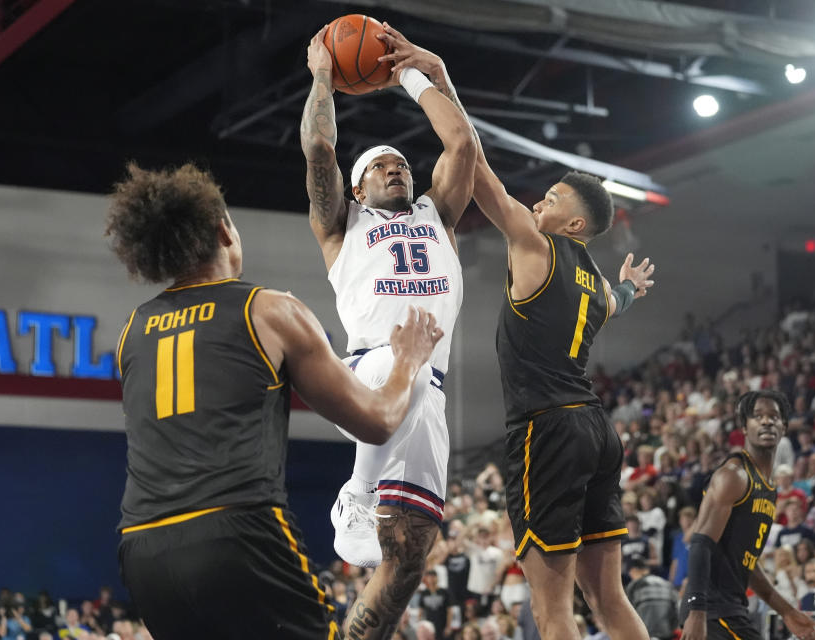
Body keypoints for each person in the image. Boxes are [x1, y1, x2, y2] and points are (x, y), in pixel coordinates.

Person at [376, 23, 655, 640]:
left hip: (548, 429)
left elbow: (473, 167)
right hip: (596, 430)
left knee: (552, 606)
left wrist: (431, 77)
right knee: (608, 597)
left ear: (575, 224)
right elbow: (618, 302)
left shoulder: (537, 245)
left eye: (552, 198)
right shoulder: (596, 283)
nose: (539, 203)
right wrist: (632, 288)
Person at [106, 162, 443, 640]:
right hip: (235, 533)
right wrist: (408, 361)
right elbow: (377, 421)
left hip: (142, 551)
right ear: (224, 231)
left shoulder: (131, 331)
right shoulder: (266, 309)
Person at [301, 22, 475, 640]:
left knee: (409, 551)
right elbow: (319, 151)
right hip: (367, 371)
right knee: (409, 370)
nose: (397, 170)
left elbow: (461, 148)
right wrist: (324, 74)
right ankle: (359, 488)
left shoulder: (438, 215)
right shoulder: (341, 227)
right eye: (381, 167)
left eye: (402, 164)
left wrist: (417, 73)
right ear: (356, 187)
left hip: (428, 389)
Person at [680, 390, 815, 640]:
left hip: (732, 608)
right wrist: (697, 611)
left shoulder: (768, 487)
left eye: (774, 417)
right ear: (744, 427)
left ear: (784, 427)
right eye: (758, 416)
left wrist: (787, 612)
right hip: (711, 609)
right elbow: (700, 543)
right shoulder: (733, 475)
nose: (766, 421)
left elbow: (746, 562)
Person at [626, 557, 680, 640]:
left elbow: (628, 616)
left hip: (645, 635)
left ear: (632, 571)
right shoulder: (667, 584)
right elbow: (677, 610)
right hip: (667, 635)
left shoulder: (633, 586)